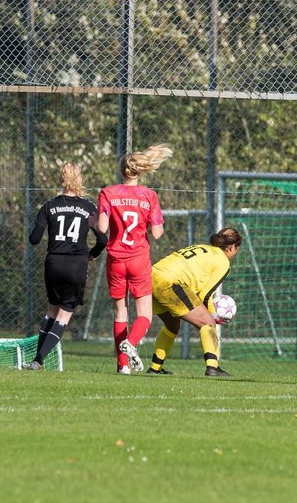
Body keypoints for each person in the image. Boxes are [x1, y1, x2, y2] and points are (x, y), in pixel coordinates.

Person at [97, 144, 172, 373]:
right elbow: (157, 233)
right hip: (139, 258)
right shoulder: (149, 196)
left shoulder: (108, 193)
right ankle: (131, 342)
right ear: (140, 171)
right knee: (145, 314)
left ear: (122, 171)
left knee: (121, 312)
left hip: (116, 259)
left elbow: (101, 228)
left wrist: (95, 221)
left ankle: (123, 366)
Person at [25, 162, 107, 370]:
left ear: (61, 180)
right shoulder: (87, 207)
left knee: (51, 311)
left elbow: (34, 239)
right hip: (76, 264)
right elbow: (103, 239)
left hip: (53, 263)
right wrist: (92, 254)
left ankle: (37, 358)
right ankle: (38, 360)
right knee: (65, 313)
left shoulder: (49, 206)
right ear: (79, 179)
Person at [145, 227, 243, 377]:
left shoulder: (203, 248)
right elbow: (205, 295)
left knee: (172, 325)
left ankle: (154, 368)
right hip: (169, 283)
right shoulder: (223, 261)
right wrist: (213, 315)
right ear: (231, 247)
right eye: (237, 249)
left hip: (149, 278)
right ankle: (213, 367)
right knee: (207, 323)